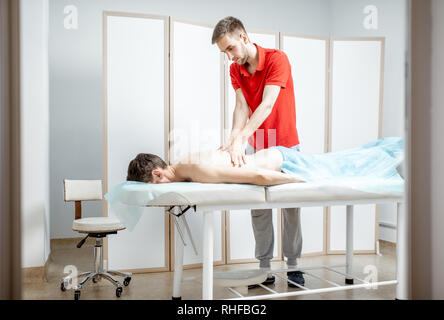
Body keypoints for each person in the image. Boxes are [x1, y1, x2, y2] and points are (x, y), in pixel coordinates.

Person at [211, 16, 304, 287]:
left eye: (230, 48)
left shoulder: (278, 59)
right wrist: (232, 140)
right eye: (223, 52)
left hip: (286, 146)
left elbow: (266, 105)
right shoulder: (236, 69)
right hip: (258, 146)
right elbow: (241, 107)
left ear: (243, 37)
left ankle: (294, 266)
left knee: (290, 208)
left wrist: (241, 138)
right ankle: (265, 268)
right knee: (259, 208)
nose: (229, 57)